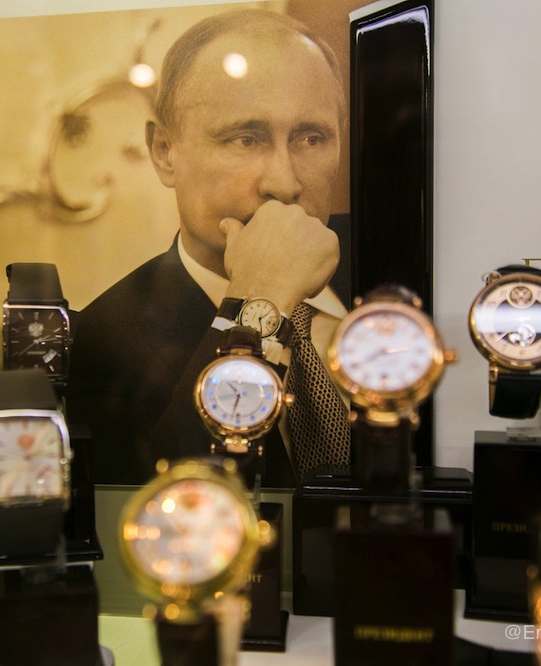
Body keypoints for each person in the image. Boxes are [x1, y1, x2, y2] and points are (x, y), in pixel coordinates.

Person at [66, 8, 352, 486]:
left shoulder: (395, 272)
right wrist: (261, 299)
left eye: (311, 137)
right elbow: (176, 508)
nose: (284, 184)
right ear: (164, 151)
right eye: (246, 139)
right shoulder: (105, 343)